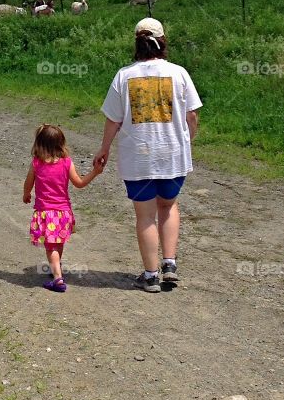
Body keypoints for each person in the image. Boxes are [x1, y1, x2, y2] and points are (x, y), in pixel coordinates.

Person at [94, 18, 201, 293]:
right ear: (163, 41)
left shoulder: (124, 75)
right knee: (168, 206)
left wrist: (104, 148)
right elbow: (191, 115)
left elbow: (113, 120)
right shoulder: (179, 73)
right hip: (173, 154)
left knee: (145, 216)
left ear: (137, 42)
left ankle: (151, 276)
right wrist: (188, 139)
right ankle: (169, 264)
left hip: (137, 159)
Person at [23, 123, 103, 292]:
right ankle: (56, 268)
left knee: (50, 247)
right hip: (63, 213)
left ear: (39, 144)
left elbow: (28, 182)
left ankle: (58, 278)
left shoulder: (36, 164)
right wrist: (95, 172)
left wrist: (26, 194)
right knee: (58, 243)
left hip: (46, 213)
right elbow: (79, 183)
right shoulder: (67, 163)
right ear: (61, 143)